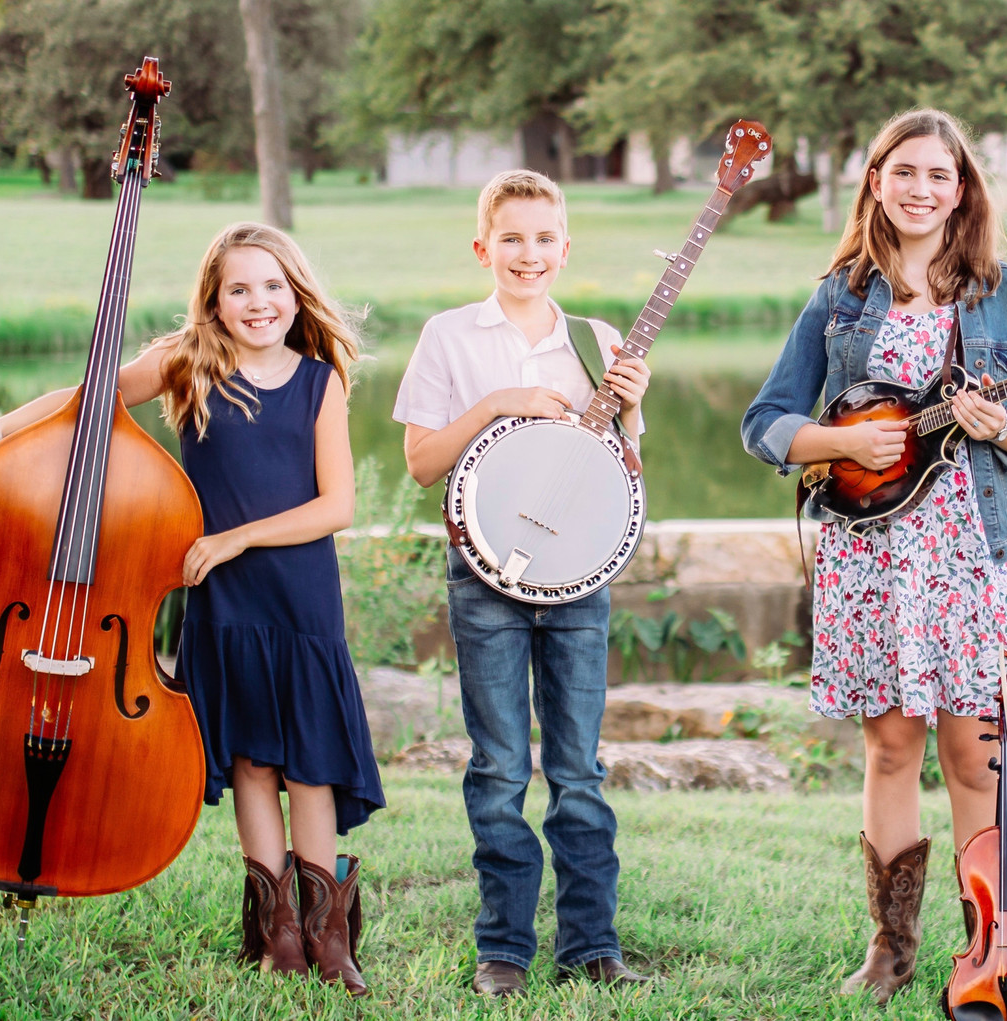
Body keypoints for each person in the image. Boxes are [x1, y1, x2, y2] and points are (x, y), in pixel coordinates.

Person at [0, 222, 382, 995]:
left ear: (296, 294)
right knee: (253, 760)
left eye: (273, 287)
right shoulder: (191, 363)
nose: (259, 302)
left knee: (312, 767)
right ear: (215, 303)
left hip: (300, 599)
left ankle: (329, 937)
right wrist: (7, 425)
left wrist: (234, 539)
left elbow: (338, 505)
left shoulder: (321, 381)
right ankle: (276, 931)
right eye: (240, 289)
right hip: (223, 605)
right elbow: (95, 401)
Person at [739, 108, 1007, 1004]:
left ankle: (990, 947)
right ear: (876, 182)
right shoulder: (839, 296)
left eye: (940, 175)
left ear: (962, 190)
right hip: (874, 557)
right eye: (905, 172)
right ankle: (891, 947)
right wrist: (834, 446)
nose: (922, 189)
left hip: (973, 554)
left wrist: (1003, 425)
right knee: (890, 750)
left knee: (977, 757)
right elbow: (765, 422)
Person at [393, 169, 655, 999]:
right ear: (483, 248)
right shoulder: (450, 336)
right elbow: (420, 464)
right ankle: (503, 946)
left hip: (579, 578)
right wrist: (499, 405)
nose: (528, 253)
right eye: (511, 237)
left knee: (578, 768)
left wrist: (630, 409)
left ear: (566, 248)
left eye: (545, 238)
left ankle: (592, 943)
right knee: (501, 765)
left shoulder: (597, 339)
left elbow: (623, 475)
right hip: (483, 576)